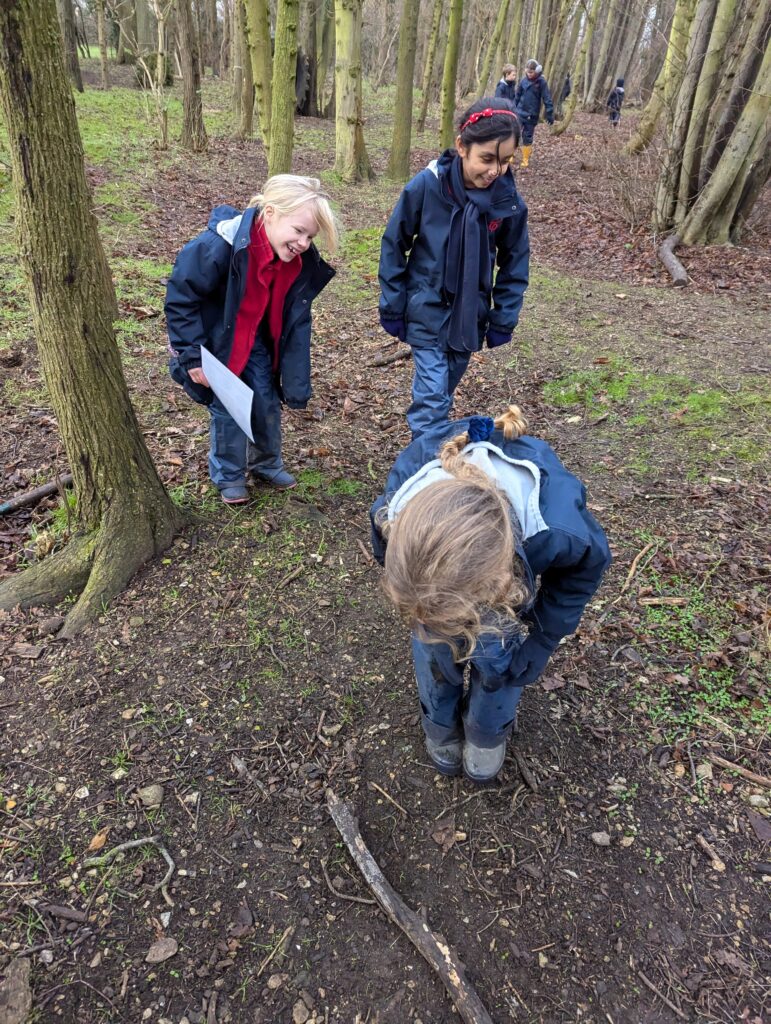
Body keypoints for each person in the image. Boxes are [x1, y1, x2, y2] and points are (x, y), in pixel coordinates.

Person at [369, 406, 611, 782]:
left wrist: (544, 637)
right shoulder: (397, 505)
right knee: (434, 649)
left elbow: (583, 571)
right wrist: (420, 600)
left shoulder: (556, 528)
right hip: (441, 583)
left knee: (498, 657)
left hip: (499, 594)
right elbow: (387, 552)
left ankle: (487, 730)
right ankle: (440, 722)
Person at [165, 176, 338, 504]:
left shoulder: (296, 263)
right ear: (270, 213)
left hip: (256, 340)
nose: (303, 242)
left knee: (265, 399)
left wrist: (297, 380)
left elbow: (297, 321)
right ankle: (228, 473)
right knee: (228, 406)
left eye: (310, 236)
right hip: (215, 342)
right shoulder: (218, 246)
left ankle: (266, 462)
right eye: (298, 231)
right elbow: (181, 298)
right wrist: (191, 356)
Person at [378, 98, 529, 439]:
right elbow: (394, 243)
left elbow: (515, 262)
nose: (495, 171)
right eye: (487, 159)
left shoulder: (508, 203)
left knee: (443, 391)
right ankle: (423, 466)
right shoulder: (428, 186)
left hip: (469, 317)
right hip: (426, 307)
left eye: (505, 162)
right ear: (462, 146)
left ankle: (432, 449)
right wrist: (393, 303)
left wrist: (503, 317)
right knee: (432, 399)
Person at [514, 59, 554, 168]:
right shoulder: (523, 81)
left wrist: (549, 112)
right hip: (519, 112)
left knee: (527, 136)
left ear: (537, 71)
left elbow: (547, 98)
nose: (529, 74)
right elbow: (517, 96)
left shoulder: (541, 82)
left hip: (532, 115)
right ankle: (510, 154)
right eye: (527, 72)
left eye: (531, 72)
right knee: (514, 133)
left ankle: (525, 159)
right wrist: (512, 108)